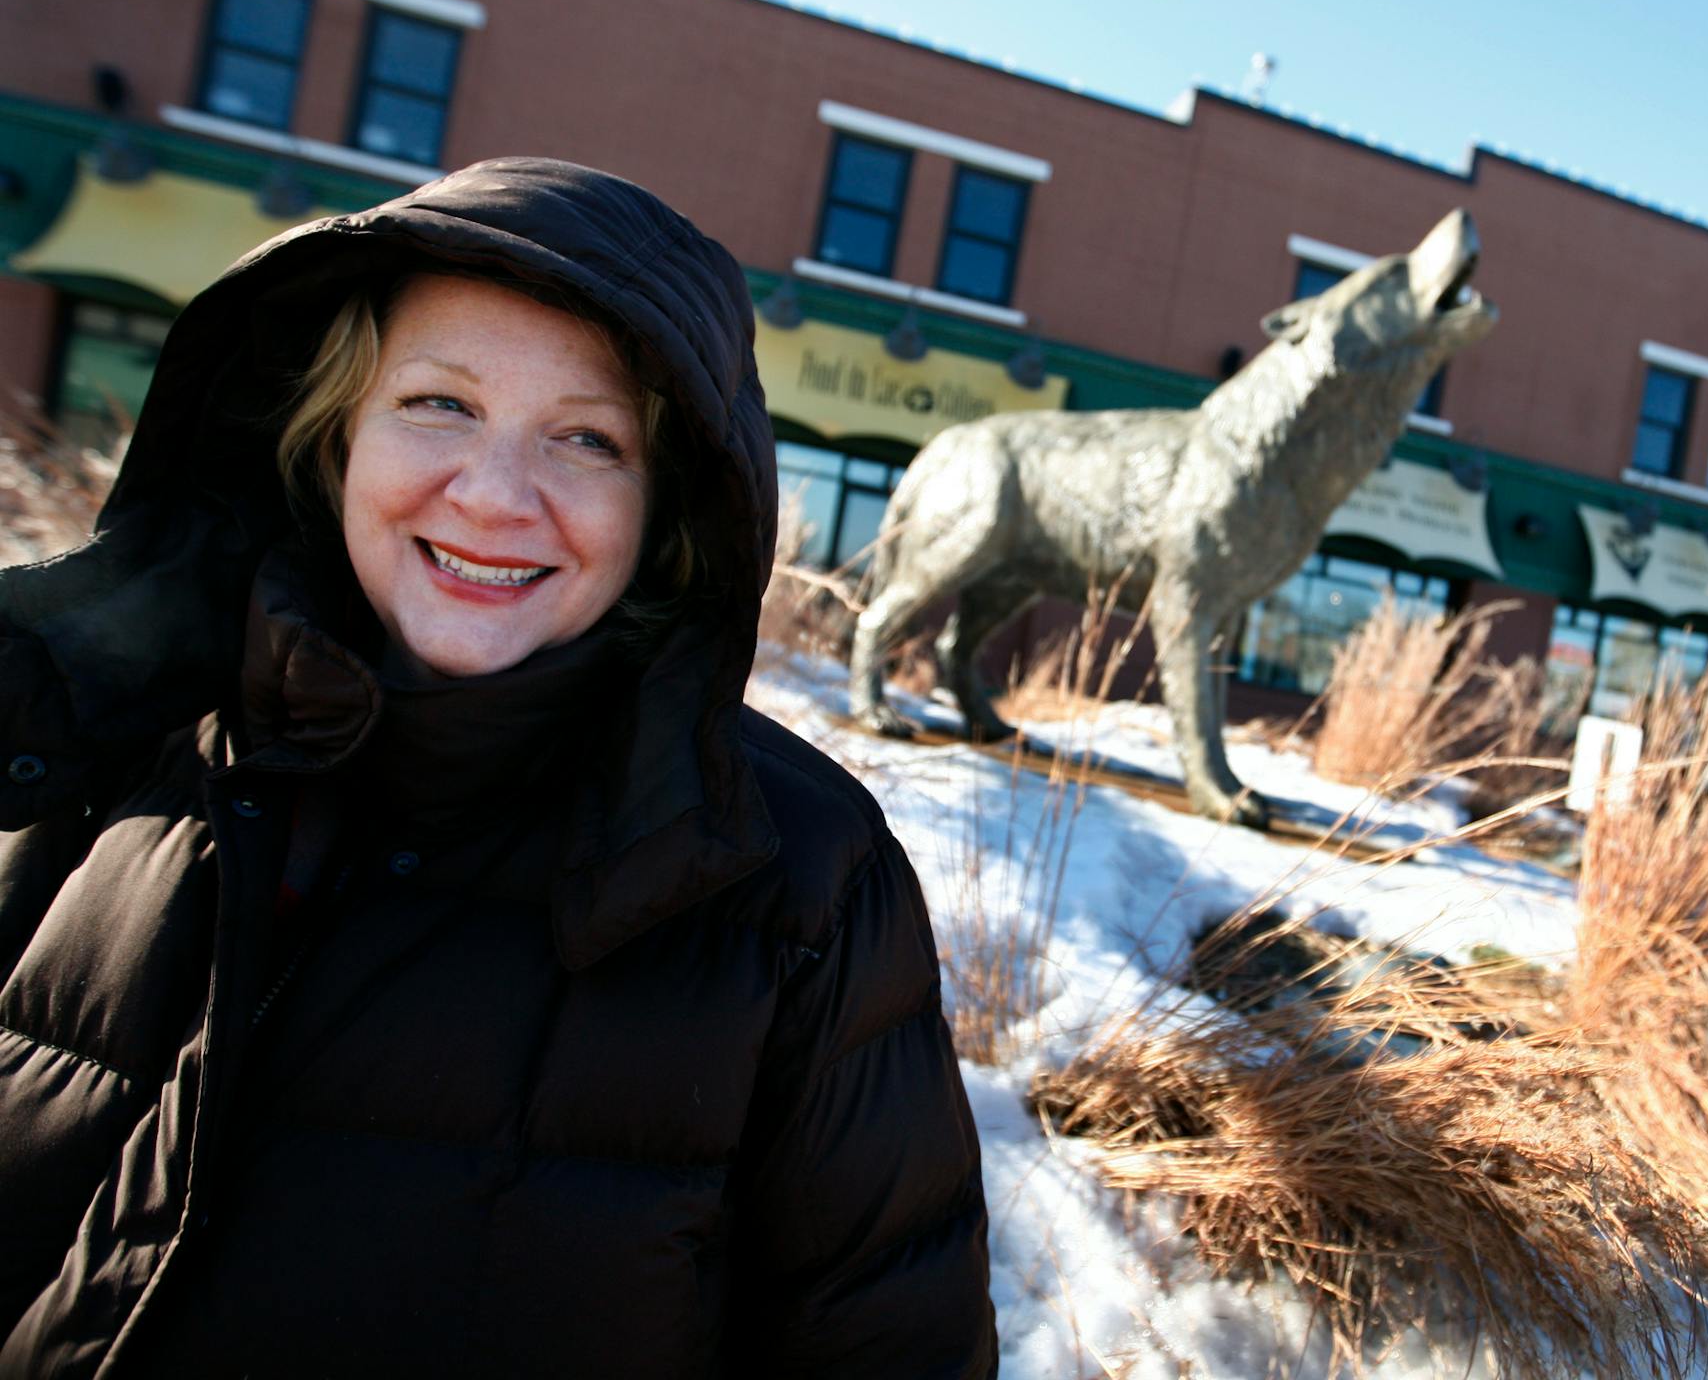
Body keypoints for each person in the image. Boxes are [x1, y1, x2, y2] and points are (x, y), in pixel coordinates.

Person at [0, 157, 997, 1377]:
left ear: (667, 507)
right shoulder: (96, 742)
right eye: (439, 405)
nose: (493, 496)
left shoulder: (804, 885)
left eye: (587, 438)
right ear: (334, 434)